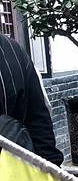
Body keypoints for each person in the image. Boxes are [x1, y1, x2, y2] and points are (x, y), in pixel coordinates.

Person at [0, 32, 63, 166]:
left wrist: (50, 168)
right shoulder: (14, 50)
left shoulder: (14, 52)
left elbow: (38, 120)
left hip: (13, 167)